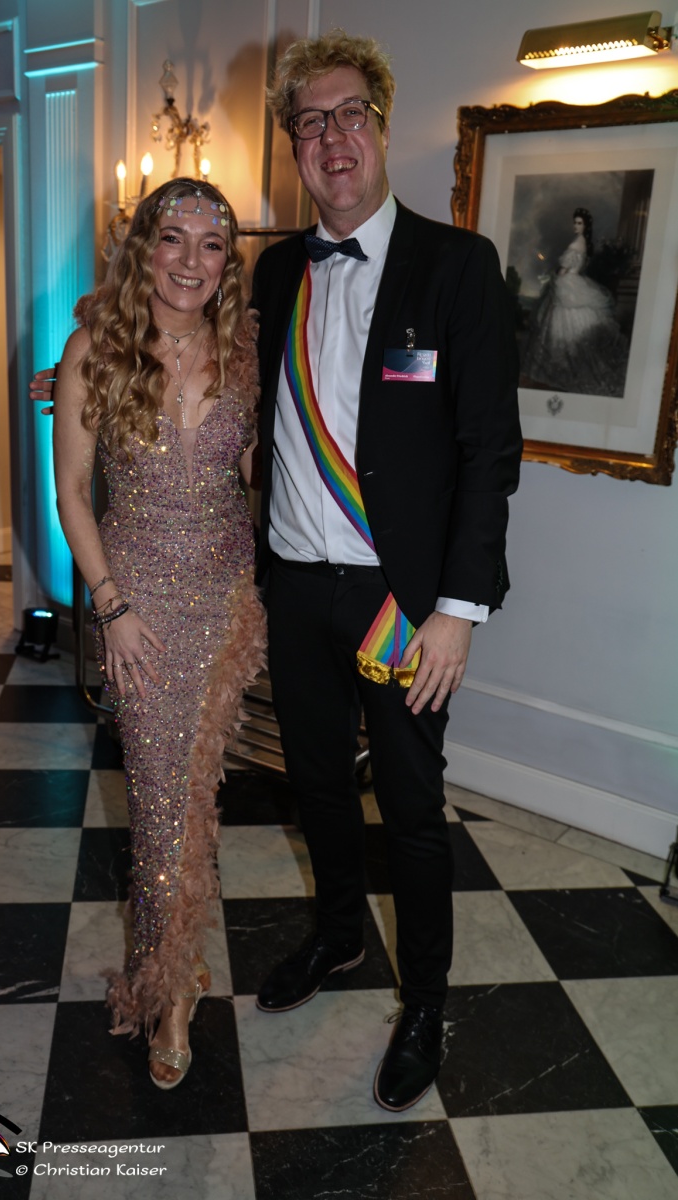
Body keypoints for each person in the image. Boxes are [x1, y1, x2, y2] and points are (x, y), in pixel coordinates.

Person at [250, 30, 522, 1112]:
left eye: (349, 113)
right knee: (315, 781)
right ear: (294, 145)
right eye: (309, 121)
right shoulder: (275, 270)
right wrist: (86, 370)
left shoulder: (456, 266)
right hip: (293, 586)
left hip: (396, 602)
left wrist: (456, 610)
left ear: (381, 124)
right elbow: (197, 373)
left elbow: (487, 452)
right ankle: (337, 936)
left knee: (409, 805)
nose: (332, 137)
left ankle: (424, 1003)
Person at [50, 177, 265, 1089]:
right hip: (136, 611)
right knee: (158, 803)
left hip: (225, 606)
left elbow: (263, 468)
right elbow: (72, 492)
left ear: (226, 264)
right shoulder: (93, 349)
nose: (189, 261)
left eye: (210, 245)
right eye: (172, 238)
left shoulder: (247, 351)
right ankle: (167, 989)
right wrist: (110, 606)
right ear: (144, 247)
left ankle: (173, 960)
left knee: (193, 797)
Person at [521, 207, 629, 396]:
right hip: (575, 283)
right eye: (575, 222)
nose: (576, 226)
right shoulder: (584, 243)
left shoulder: (576, 243)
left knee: (562, 327)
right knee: (568, 326)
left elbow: (564, 268)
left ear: (585, 225)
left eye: (579, 223)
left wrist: (557, 275)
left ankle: (565, 368)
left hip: (568, 283)